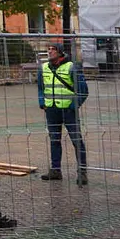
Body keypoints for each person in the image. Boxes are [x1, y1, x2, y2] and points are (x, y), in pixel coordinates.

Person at [37, 42, 90, 185]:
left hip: (68, 111)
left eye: (53, 49)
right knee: (54, 140)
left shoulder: (71, 67)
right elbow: (41, 87)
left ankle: (82, 172)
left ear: (60, 52)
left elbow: (83, 90)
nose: (49, 52)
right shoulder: (43, 68)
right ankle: (55, 170)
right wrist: (42, 102)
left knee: (76, 140)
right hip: (52, 110)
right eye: (48, 49)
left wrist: (74, 105)